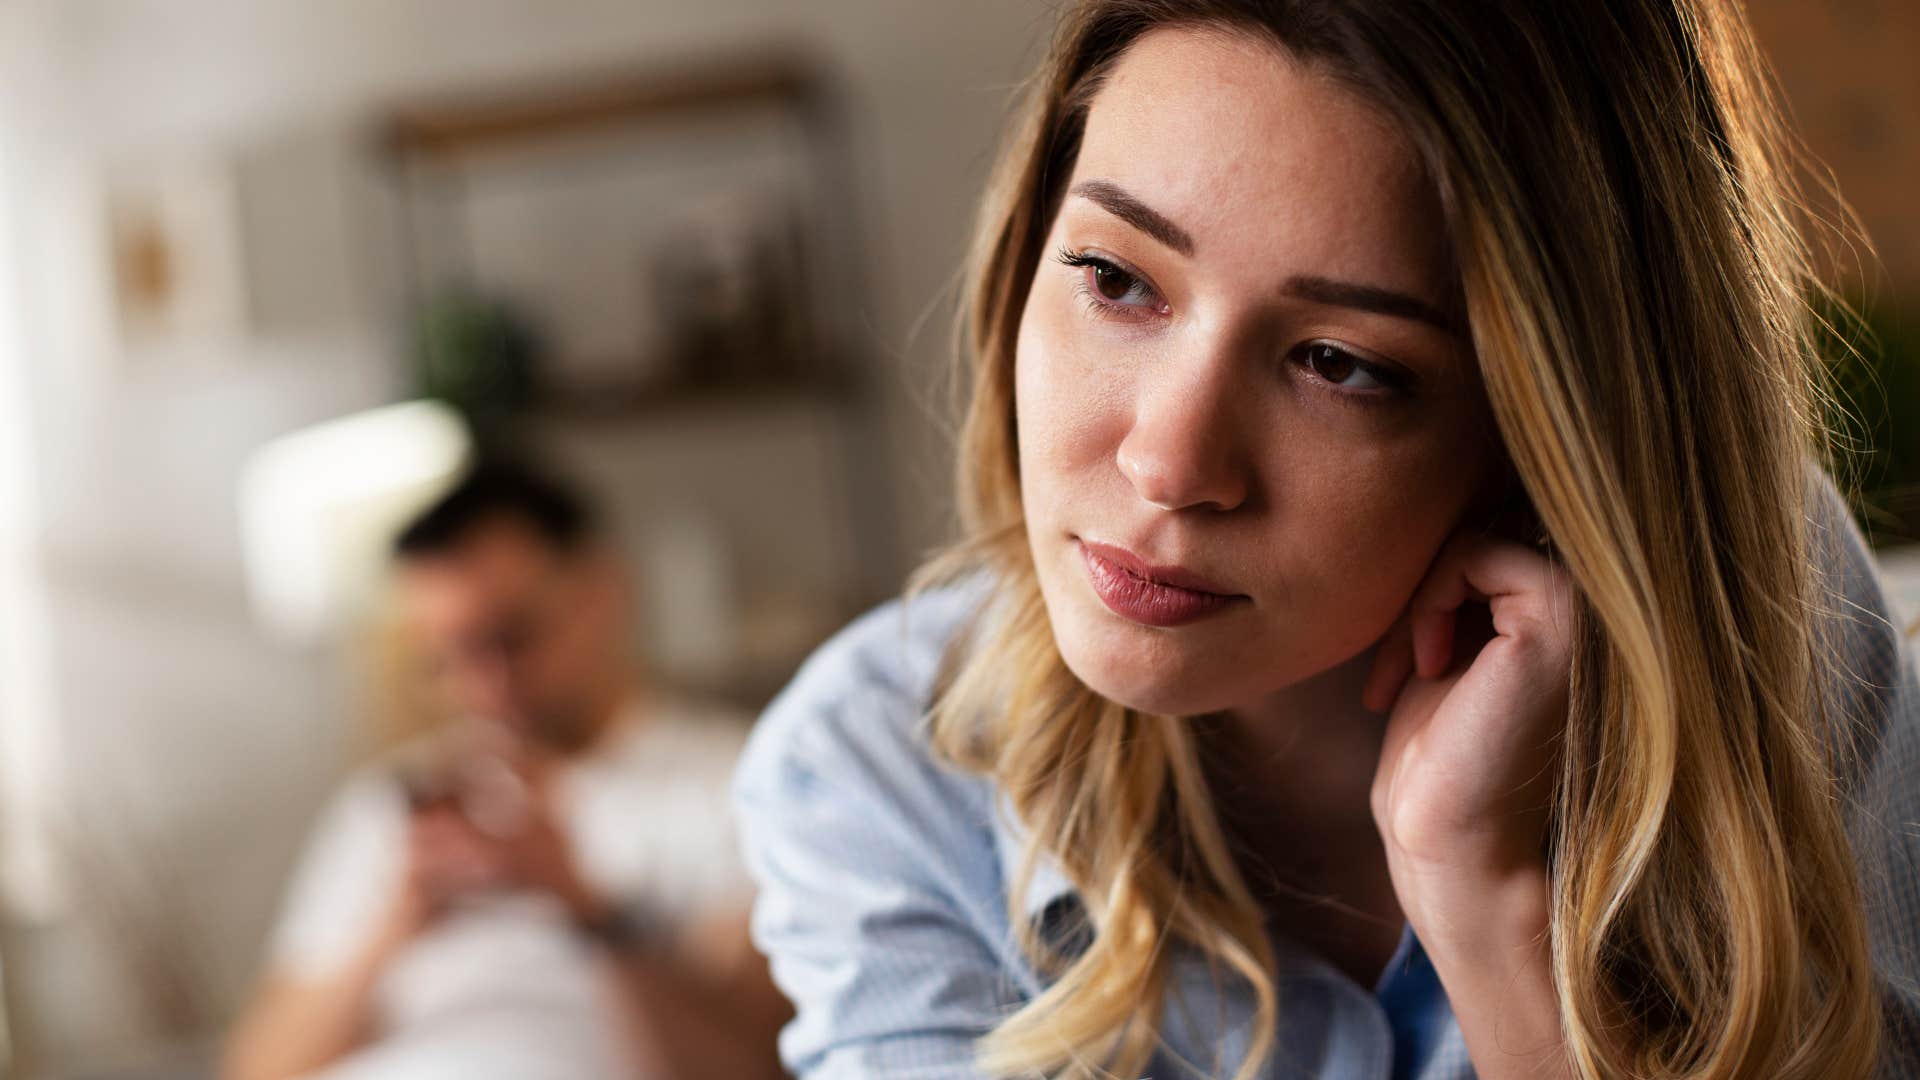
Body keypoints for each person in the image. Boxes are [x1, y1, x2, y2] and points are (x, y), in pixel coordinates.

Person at [731, 2, 1920, 1078]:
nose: (1171, 464)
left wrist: (1491, 919)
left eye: (1341, 364)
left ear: (1544, 429)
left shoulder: (1757, 615)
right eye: (1114, 278)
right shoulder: (879, 772)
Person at [223, 461, 789, 1080]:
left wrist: (586, 908)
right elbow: (258, 1071)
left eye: (511, 638)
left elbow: (743, 1066)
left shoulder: (745, 782)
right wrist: (399, 920)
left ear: (603, 592)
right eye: (448, 657)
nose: (484, 688)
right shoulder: (388, 804)